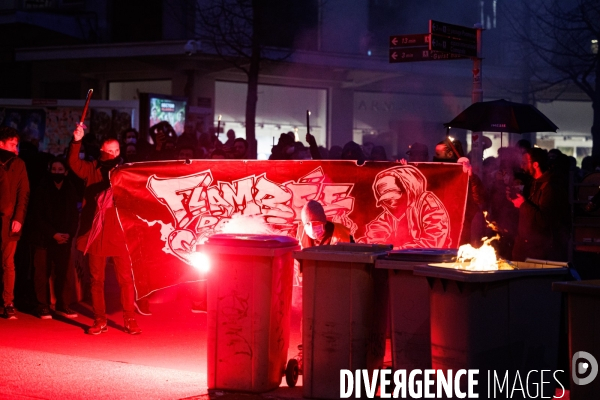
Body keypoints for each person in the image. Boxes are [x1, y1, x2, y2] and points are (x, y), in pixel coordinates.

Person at [68, 124, 142, 335]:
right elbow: (73, 162)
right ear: (101, 150)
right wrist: (76, 141)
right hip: (97, 232)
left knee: (126, 279)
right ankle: (100, 320)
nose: (113, 155)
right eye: (109, 151)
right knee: (96, 280)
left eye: (116, 151)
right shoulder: (91, 168)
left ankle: (130, 319)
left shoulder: (125, 170)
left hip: (120, 232)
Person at [30, 158, 79, 319]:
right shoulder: (41, 189)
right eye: (54, 169)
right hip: (44, 239)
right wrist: (53, 234)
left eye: (60, 169)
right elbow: (37, 217)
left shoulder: (70, 189)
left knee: (63, 273)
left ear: (65, 172)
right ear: (49, 170)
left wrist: (68, 235)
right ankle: (42, 306)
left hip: (64, 239)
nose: (56, 172)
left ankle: (62, 305)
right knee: (42, 273)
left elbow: (74, 215)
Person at [361, 165, 451, 249]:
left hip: (431, 262)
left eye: (395, 196)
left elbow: (433, 242)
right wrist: (375, 246)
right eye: (386, 200)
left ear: (408, 190)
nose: (392, 203)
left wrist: (398, 251)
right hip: (402, 260)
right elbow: (375, 232)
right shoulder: (389, 215)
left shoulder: (428, 204)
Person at [510, 147, 570, 261]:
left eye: (524, 163)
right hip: (526, 246)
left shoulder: (551, 187)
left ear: (535, 165)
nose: (521, 166)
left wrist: (523, 204)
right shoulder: (533, 183)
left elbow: (544, 220)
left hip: (540, 251)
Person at [0, 127, 30, 320]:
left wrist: (18, 218)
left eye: (16, 145)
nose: (16, 148)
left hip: (9, 220)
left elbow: (23, 193)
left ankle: (8, 301)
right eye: (12, 144)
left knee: (8, 263)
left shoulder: (18, 164)